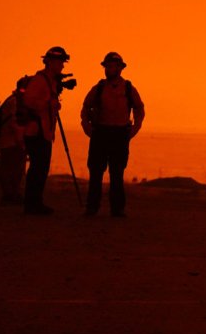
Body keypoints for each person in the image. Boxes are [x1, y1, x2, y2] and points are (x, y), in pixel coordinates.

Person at [80, 52, 145, 217]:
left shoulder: (129, 88)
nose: (108, 69)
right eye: (107, 66)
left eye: (111, 66)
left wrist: (135, 127)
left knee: (117, 173)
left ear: (120, 68)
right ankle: (92, 208)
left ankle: (117, 209)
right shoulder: (99, 88)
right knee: (95, 173)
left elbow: (139, 109)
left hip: (119, 135)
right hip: (100, 133)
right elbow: (85, 108)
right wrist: (86, 126)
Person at [22, 46, 70, 215]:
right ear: (51, 62)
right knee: (38, 168)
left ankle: (35, 203)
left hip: (43, 131)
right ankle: (32, 204)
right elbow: (28, 100)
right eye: (61, 62)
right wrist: (49, 103)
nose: (63, 66)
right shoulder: (40, 80)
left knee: (40, 168)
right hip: (37, 132)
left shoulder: (50, 81)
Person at [0, 81, 26, 205]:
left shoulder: (11, 100)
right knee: (11, 169)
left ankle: (13, 194)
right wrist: (20, 141)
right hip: (11, 141)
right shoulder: (14, 102)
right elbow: (15, 123)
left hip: (9, 140)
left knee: (14, 168)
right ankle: (10, 195)